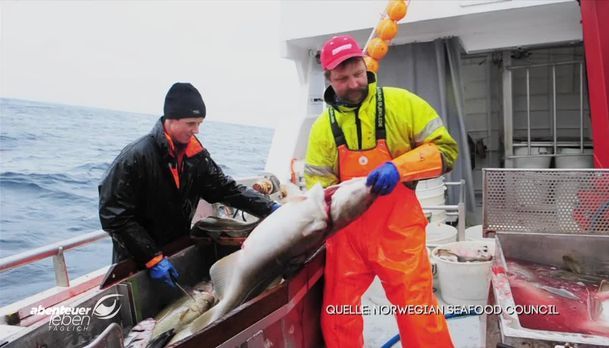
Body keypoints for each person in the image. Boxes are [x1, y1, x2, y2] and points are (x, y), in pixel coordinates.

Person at [304, 35, 458, 347]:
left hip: (398, 233)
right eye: (342, 79)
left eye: (358, 73)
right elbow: (317, 189)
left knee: (417, 313)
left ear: (366, 65)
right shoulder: (323, 128)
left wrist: (399, 168)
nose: (353, 83)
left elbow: (446, 152)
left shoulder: (403, 104)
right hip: (347, 239)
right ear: (328, 80)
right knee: (338, 315)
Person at [99, 82, 280, 288]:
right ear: (171, 119)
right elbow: (114, 215)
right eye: (191, 123)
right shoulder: (136, 157)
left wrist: (269, 207)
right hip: (137, 261)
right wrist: (151, 257)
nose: (197, 130)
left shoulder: (196, 157)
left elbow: (225, 189)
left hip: (175, 250)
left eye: (200, 123)